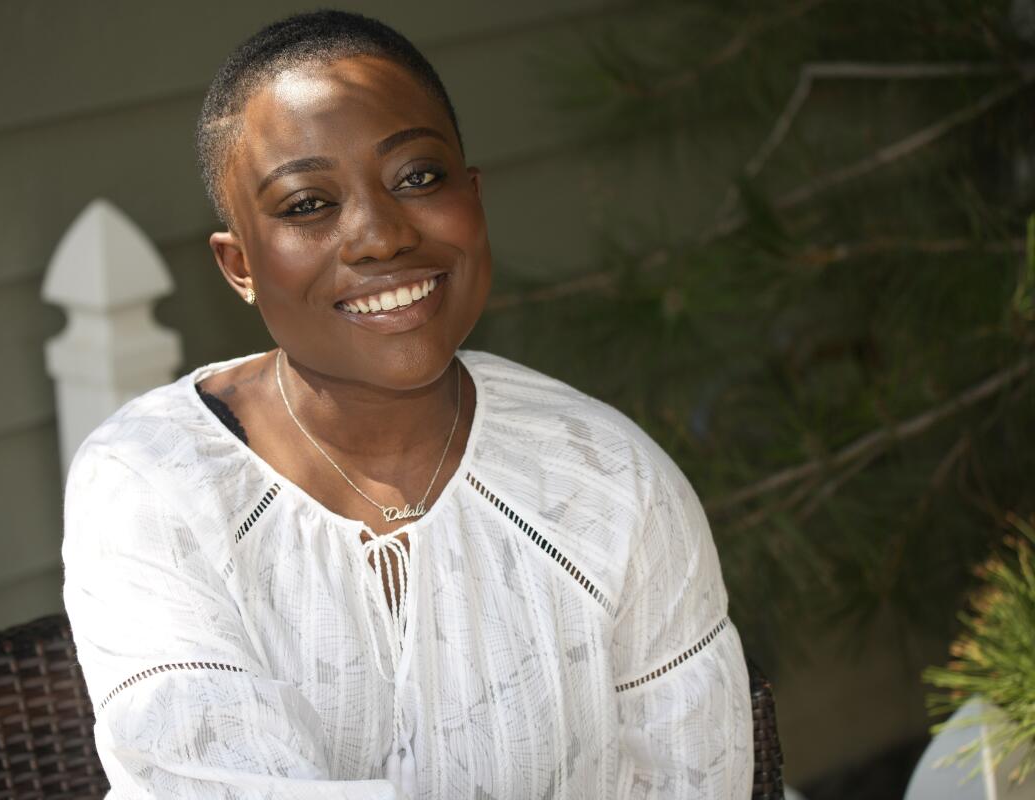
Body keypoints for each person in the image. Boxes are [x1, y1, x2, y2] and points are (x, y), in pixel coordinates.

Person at [62, 10, 753, 799]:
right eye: (306, 204)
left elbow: (697, 777)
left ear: (474, 197)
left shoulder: (608, 483)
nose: (380, 235)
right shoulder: (153, 484)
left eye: (418, 178)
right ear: (239, 265)